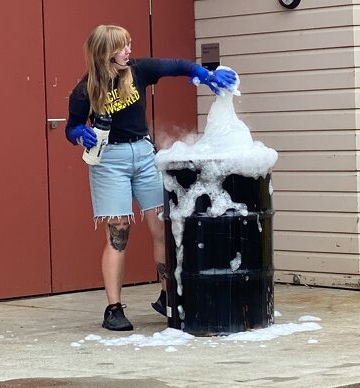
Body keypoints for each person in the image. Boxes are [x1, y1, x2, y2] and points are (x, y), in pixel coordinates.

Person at [65, 24, 238, 331]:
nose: (128, 50)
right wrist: (81, 133)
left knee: (162, 227)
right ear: (105, 53)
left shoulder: (138, 70)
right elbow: (71, 127)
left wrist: (204, 74)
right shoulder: (84, 90)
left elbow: (175, 66)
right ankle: (114, 308)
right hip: (110, 161)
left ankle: (166, 295)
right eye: (122, 46)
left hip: (144, 155)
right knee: (118, 235)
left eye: (129, 44)